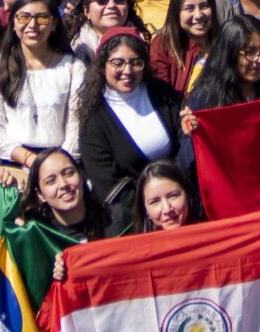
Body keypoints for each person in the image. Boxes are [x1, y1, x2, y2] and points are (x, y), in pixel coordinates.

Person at [76, 28, 189, 220]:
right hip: (136, 218)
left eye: (136, 63)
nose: (127, 71)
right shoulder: (93, 120)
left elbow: (184, 142)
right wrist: (153, 208)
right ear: (103, 66)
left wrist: (175, 196)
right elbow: (106, 184)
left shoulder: (163, 95)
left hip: (180, 206)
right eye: (117, 63)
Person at [0, 0, 84, 189]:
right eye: (24, 17)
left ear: (54, 24)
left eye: (42, 18)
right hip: (12, 167)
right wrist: (30, 160)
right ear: (13, 23)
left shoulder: (73, 68)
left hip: (61, 164)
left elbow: (75, 128)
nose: (33, 25)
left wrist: (54, 166)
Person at [18, 146, 123, 240]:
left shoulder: (116, 219)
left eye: (68, 173)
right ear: (40, 194)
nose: (63, 184)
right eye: (51, 181)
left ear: (81, 176)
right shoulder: (43, 239)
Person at [133, 160, 199, 232]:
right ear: (145, 210)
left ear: (187, 195)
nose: (167, 209)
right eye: (154, 202)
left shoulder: (211, 229)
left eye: (173, 196)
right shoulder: (138, 243)